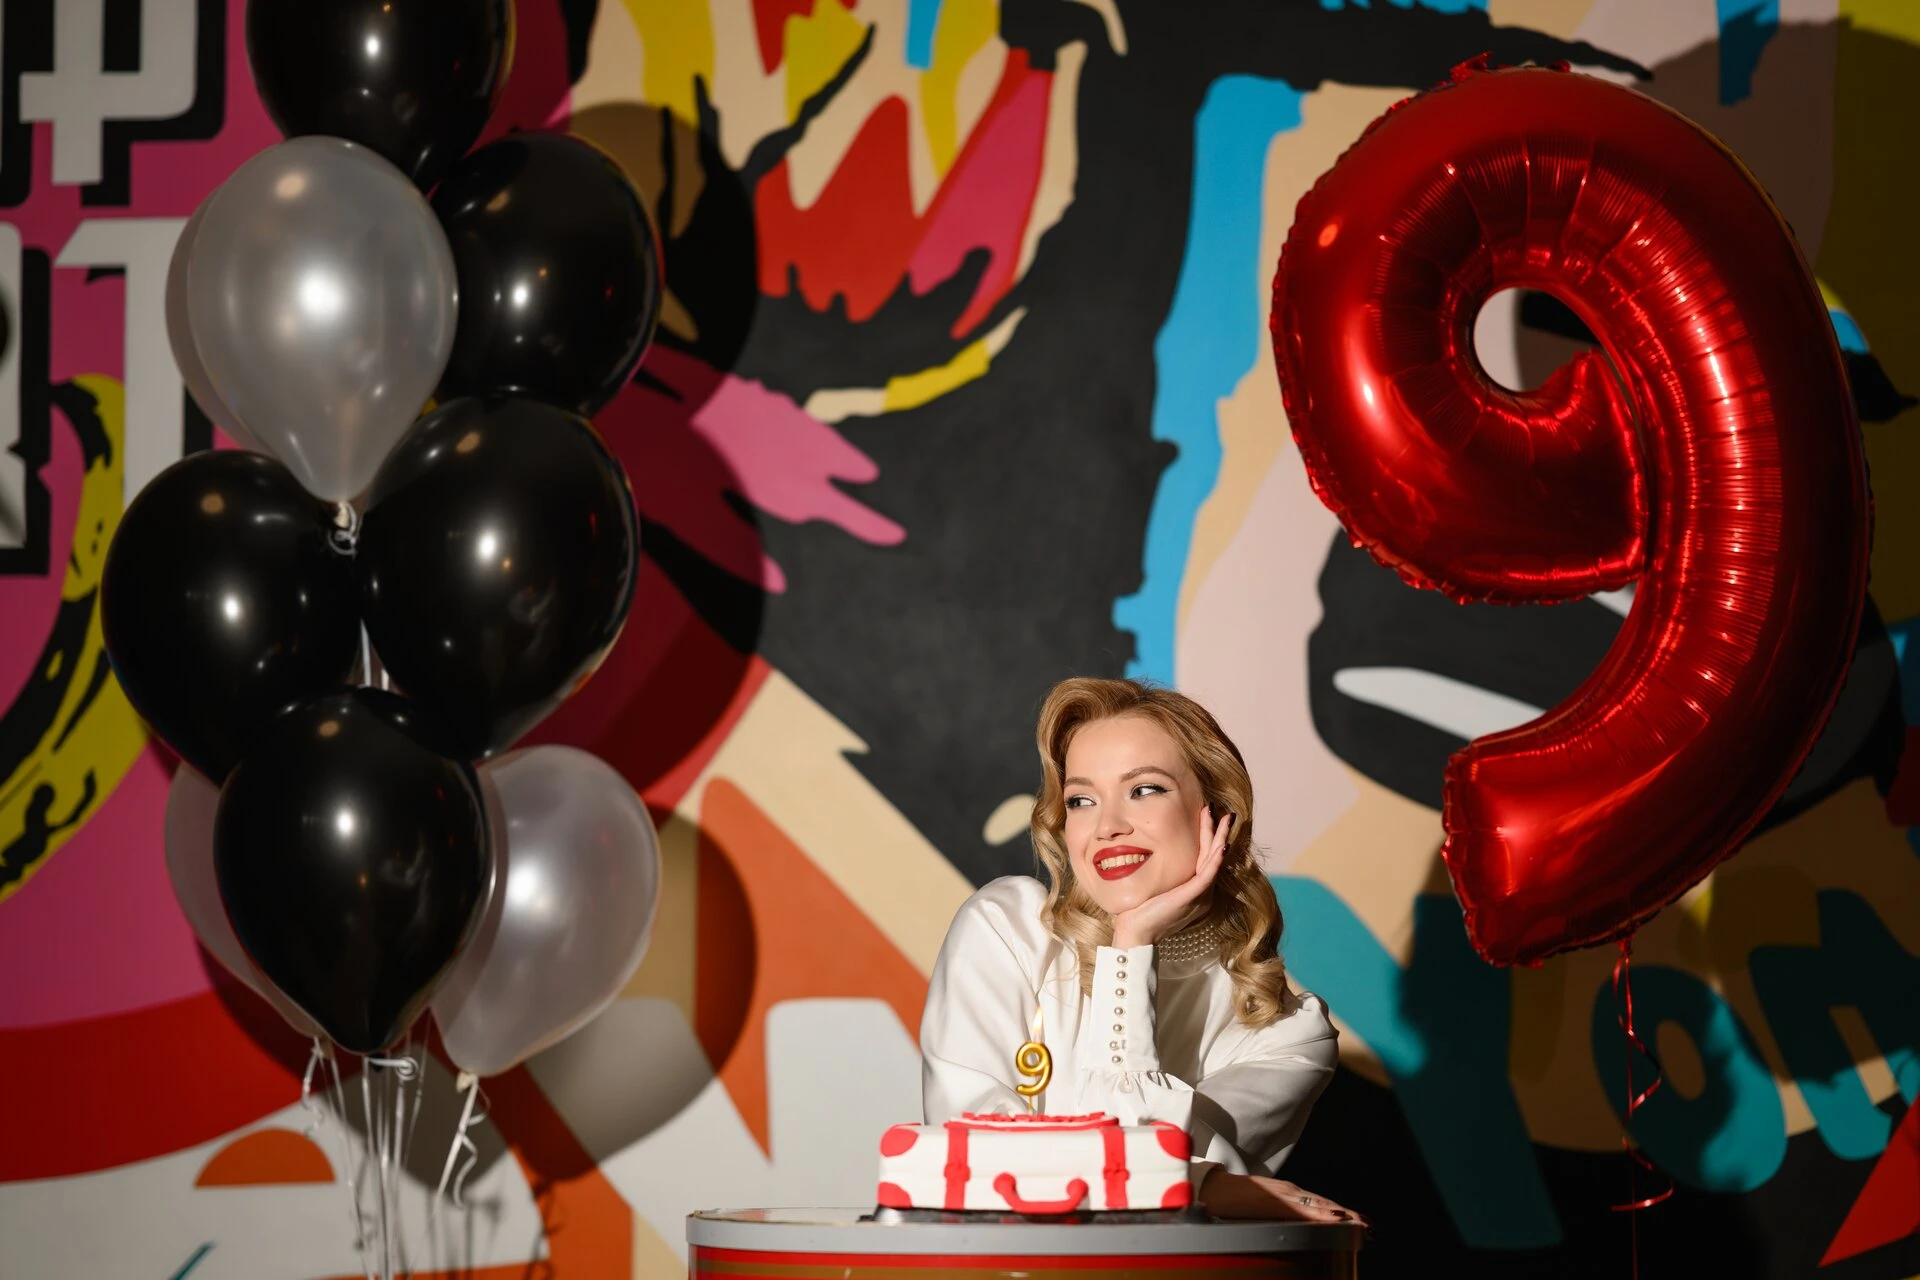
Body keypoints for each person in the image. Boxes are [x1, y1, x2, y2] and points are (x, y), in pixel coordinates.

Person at [920, 677, 1362, 1223]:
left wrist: (1131, 945)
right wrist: (1206, 1184)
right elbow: (968, 1160)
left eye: (1145, 790)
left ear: (1217, 810)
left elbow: (1139, 1194)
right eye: (1081, 800)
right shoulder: (1009, 929)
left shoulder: (1288, 1037)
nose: (1107, 826)